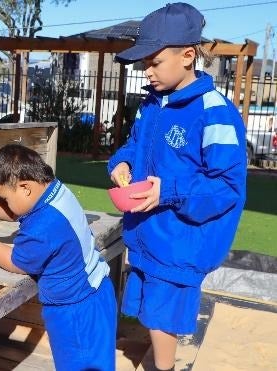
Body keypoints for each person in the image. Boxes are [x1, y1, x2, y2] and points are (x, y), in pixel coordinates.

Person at [109, 3, 247, 371]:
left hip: (178, 241)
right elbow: (134, 145)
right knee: (149, 312)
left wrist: (169, 190)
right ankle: (156, 361)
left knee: (162, 316)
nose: (147, 71)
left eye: (154, 62)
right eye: (144, 64)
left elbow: (226, 186)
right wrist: (120, 162)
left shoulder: (214, 111)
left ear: (188, 55)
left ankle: (163, 368)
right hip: (146, 232)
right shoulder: (151, 105)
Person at [0, 144, 117, 371]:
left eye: (4, 198)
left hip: (76, 312)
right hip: (95, 295)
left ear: (25, 188)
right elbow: (17, 209)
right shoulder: (54, 192)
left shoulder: (44, 226)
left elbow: (15, 261)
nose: (4, 203)